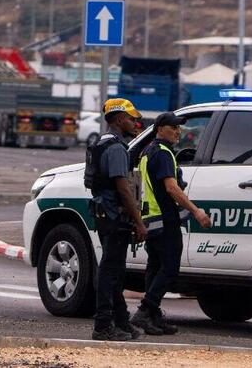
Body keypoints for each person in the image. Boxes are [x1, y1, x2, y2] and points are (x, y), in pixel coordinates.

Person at [131, 112, 212, 335]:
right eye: (173, 127)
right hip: (165, 219)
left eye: (179, 128)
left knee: (155, 267)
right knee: (169, 268)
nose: (178, 132)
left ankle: (152, 316)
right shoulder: (164, 153)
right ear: (159, 128)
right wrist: (195, 211)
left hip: (151, 220)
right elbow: (171, 188)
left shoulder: (148, 151)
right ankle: (145, 311)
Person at [84, 98, 148, 341]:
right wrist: (139, 221)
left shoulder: (101, 143)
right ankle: (102, 326)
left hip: (104, 213)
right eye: (131, 118)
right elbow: (123, 189)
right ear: (119, 119)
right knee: (110, 272)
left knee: (115, 271)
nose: (135, 122)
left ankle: (121, 322)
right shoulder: (117, 149)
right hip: (114, 215)